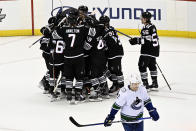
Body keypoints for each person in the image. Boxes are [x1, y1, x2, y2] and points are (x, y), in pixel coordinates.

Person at [129, 12, 160, 90]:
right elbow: (148, 39)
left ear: (146, 19)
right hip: (153, 51)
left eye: (142, 18)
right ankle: (155, 83)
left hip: (147, 51)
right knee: (152, 66)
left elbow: (146, 40)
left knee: (142, 66)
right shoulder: (152, 27)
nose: (141, 19)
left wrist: (136, 40)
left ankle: (145, 85)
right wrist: (138, 40)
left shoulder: (147, 28)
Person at [100, 15, 124, 94]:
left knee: (117, 70)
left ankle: (122, 88)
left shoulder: (106, 31)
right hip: (111, 53)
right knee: (111, 69)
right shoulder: (110, 29)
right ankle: (115, 84)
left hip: (116, 52)